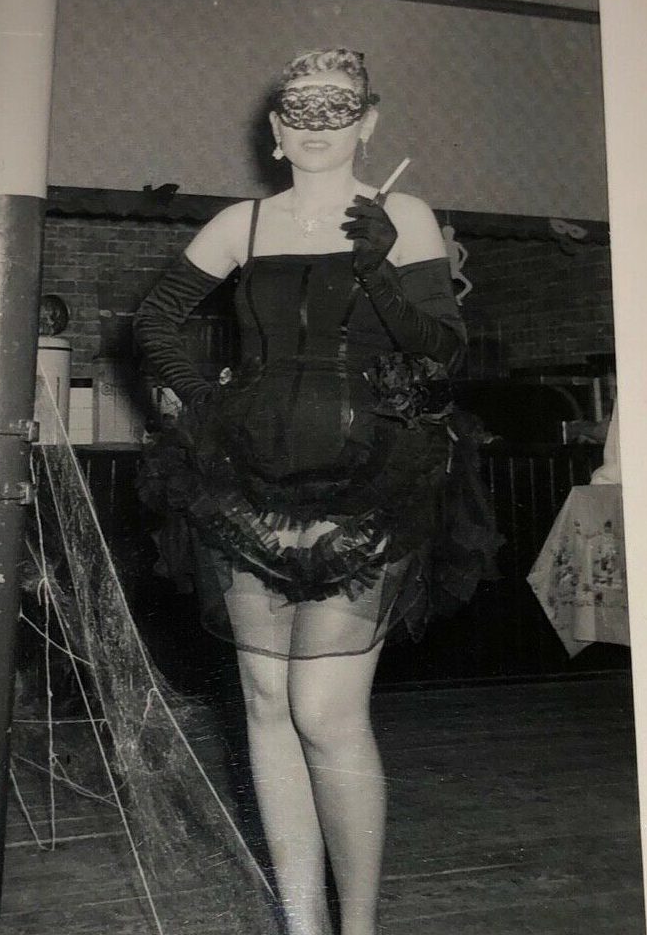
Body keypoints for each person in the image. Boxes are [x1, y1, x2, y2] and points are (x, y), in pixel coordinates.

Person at [133, 48, 500, 935]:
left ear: (367, 125)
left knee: (323, 710)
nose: (315, 127)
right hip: (247, 481)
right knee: (265, 704)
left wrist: (379, 268)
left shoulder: (400, 213)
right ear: (276, 129)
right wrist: (202, 397)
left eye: (337, 111)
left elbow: (444, 352)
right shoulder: (244, 224)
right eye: (300, 111)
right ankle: (303, 925)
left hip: (369, 480)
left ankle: (359, 926)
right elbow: (152, 319)